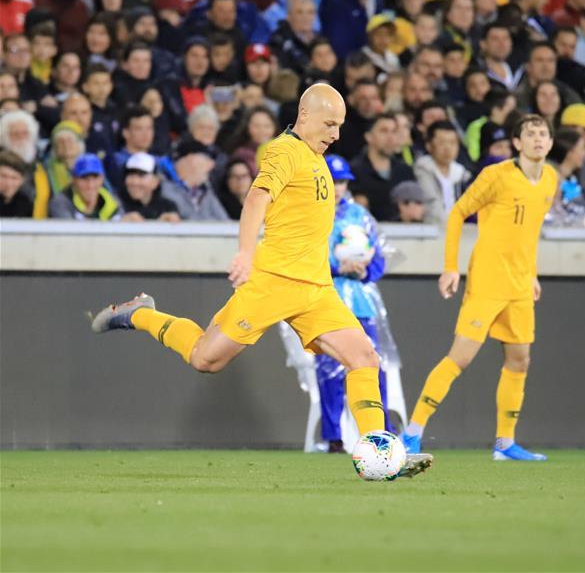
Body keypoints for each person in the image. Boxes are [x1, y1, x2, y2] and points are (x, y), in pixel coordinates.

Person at [90, 84, 432, 478]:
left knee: (364, 357)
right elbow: (256, 199)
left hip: (317, 289)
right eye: (330, 124)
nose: (336, 134)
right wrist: (246, 254)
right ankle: (140, 315)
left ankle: (380, 454)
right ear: (304, 116)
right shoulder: (284, 151)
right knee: (205, 358)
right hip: (273, 282)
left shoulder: (316, 155)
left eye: (340, 126)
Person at [401, 114, 558, 461]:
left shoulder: (550, 180)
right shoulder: (496, 176)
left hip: (519, 284)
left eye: (543, 134)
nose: (537, 139)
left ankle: (505, 444)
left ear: (549, 142)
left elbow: (528, 234)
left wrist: (532, 273)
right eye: (529, 133)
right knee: (460, 357)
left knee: (519, 361)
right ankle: (413, 432)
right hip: (487, 279)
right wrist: (450, 268)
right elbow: (457, 213)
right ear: (516, 143)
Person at [314, 154, 391, 453]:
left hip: (359, 301)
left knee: (372, 365)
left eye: (342, 181)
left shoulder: (359, 214)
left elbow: (380, 256)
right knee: (328, 369)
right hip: (323, 298)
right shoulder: (309, 212)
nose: (337, 187)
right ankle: (334, 437)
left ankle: (381, 433)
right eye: (332, 181)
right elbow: (299, 256)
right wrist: (335, 268)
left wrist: (365, 270)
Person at [49, 153, 122, 220]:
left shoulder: (112, 201)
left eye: (95, 177)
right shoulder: (61, 203)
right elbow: (69, 232)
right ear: (74, 180)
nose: (90, 185)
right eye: (84, 178)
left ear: (102, 178)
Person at [119, 152, 181, 222]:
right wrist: (120, 222)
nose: (135, 182)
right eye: (130, 175)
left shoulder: (168, 206)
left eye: (141, 176)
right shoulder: (117, 203)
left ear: (156, 181)